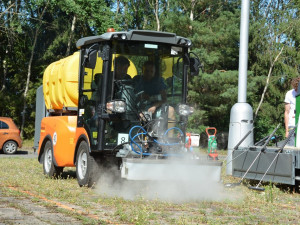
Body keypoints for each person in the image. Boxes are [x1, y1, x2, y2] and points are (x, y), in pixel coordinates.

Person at [284, 77, 300, 146]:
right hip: (292, 125)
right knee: (291, 147)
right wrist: (287, 130)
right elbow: (286, 112)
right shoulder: (289, 93)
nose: (296, 90)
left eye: (298, 88)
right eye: (295, 88)